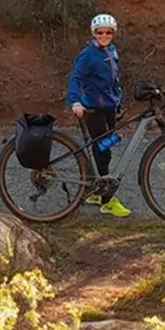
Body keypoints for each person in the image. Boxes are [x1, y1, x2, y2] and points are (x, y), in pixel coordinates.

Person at [68, 12, 130, 217]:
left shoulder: (112, 51)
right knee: (104, 150)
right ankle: (107, 200)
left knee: (104, 146)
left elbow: (113, 80)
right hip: (93, 109)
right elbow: (75, 78)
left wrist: (118, 100)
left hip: (109, 109)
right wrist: (75, 101)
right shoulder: (88, 55)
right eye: (100, 32)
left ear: (113, 33)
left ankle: (95, 188)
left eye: (108, 32)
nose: (104, 35)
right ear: (94, 34)